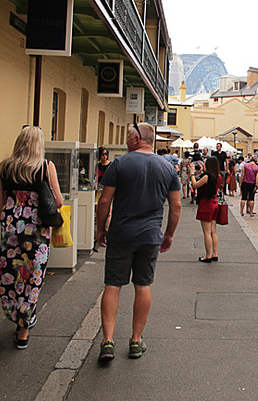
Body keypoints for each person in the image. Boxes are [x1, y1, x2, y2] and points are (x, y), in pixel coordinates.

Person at [96, 122, 181, 361]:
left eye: (127, 137)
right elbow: (175, 206)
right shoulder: (167, 168)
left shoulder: (120, 164)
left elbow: (104, 202)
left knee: (113, 285)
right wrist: (169, 234)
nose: (126, 141)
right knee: (142, 285)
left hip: (121, 234)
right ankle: (136, 340)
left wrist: (101, 229)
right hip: (150, 236)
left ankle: (108, 341)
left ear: (136, 139)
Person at [0, 126, 63, 349]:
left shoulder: (4, 167)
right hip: (36, 232)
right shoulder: (45, 167)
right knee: (32, 278)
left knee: (12, 275)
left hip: (11, 230)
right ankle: (23, 329)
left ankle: (16, 315)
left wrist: (8, 224)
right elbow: (58, 201)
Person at [191, 156, 221, 262]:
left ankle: (207, 255)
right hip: (215, 203)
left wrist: (191, 174)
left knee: (207, 232)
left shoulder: (207, 177)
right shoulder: (219, 176)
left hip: (206, 204)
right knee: (213, 231)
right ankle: (214, 253)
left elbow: (195, 185)